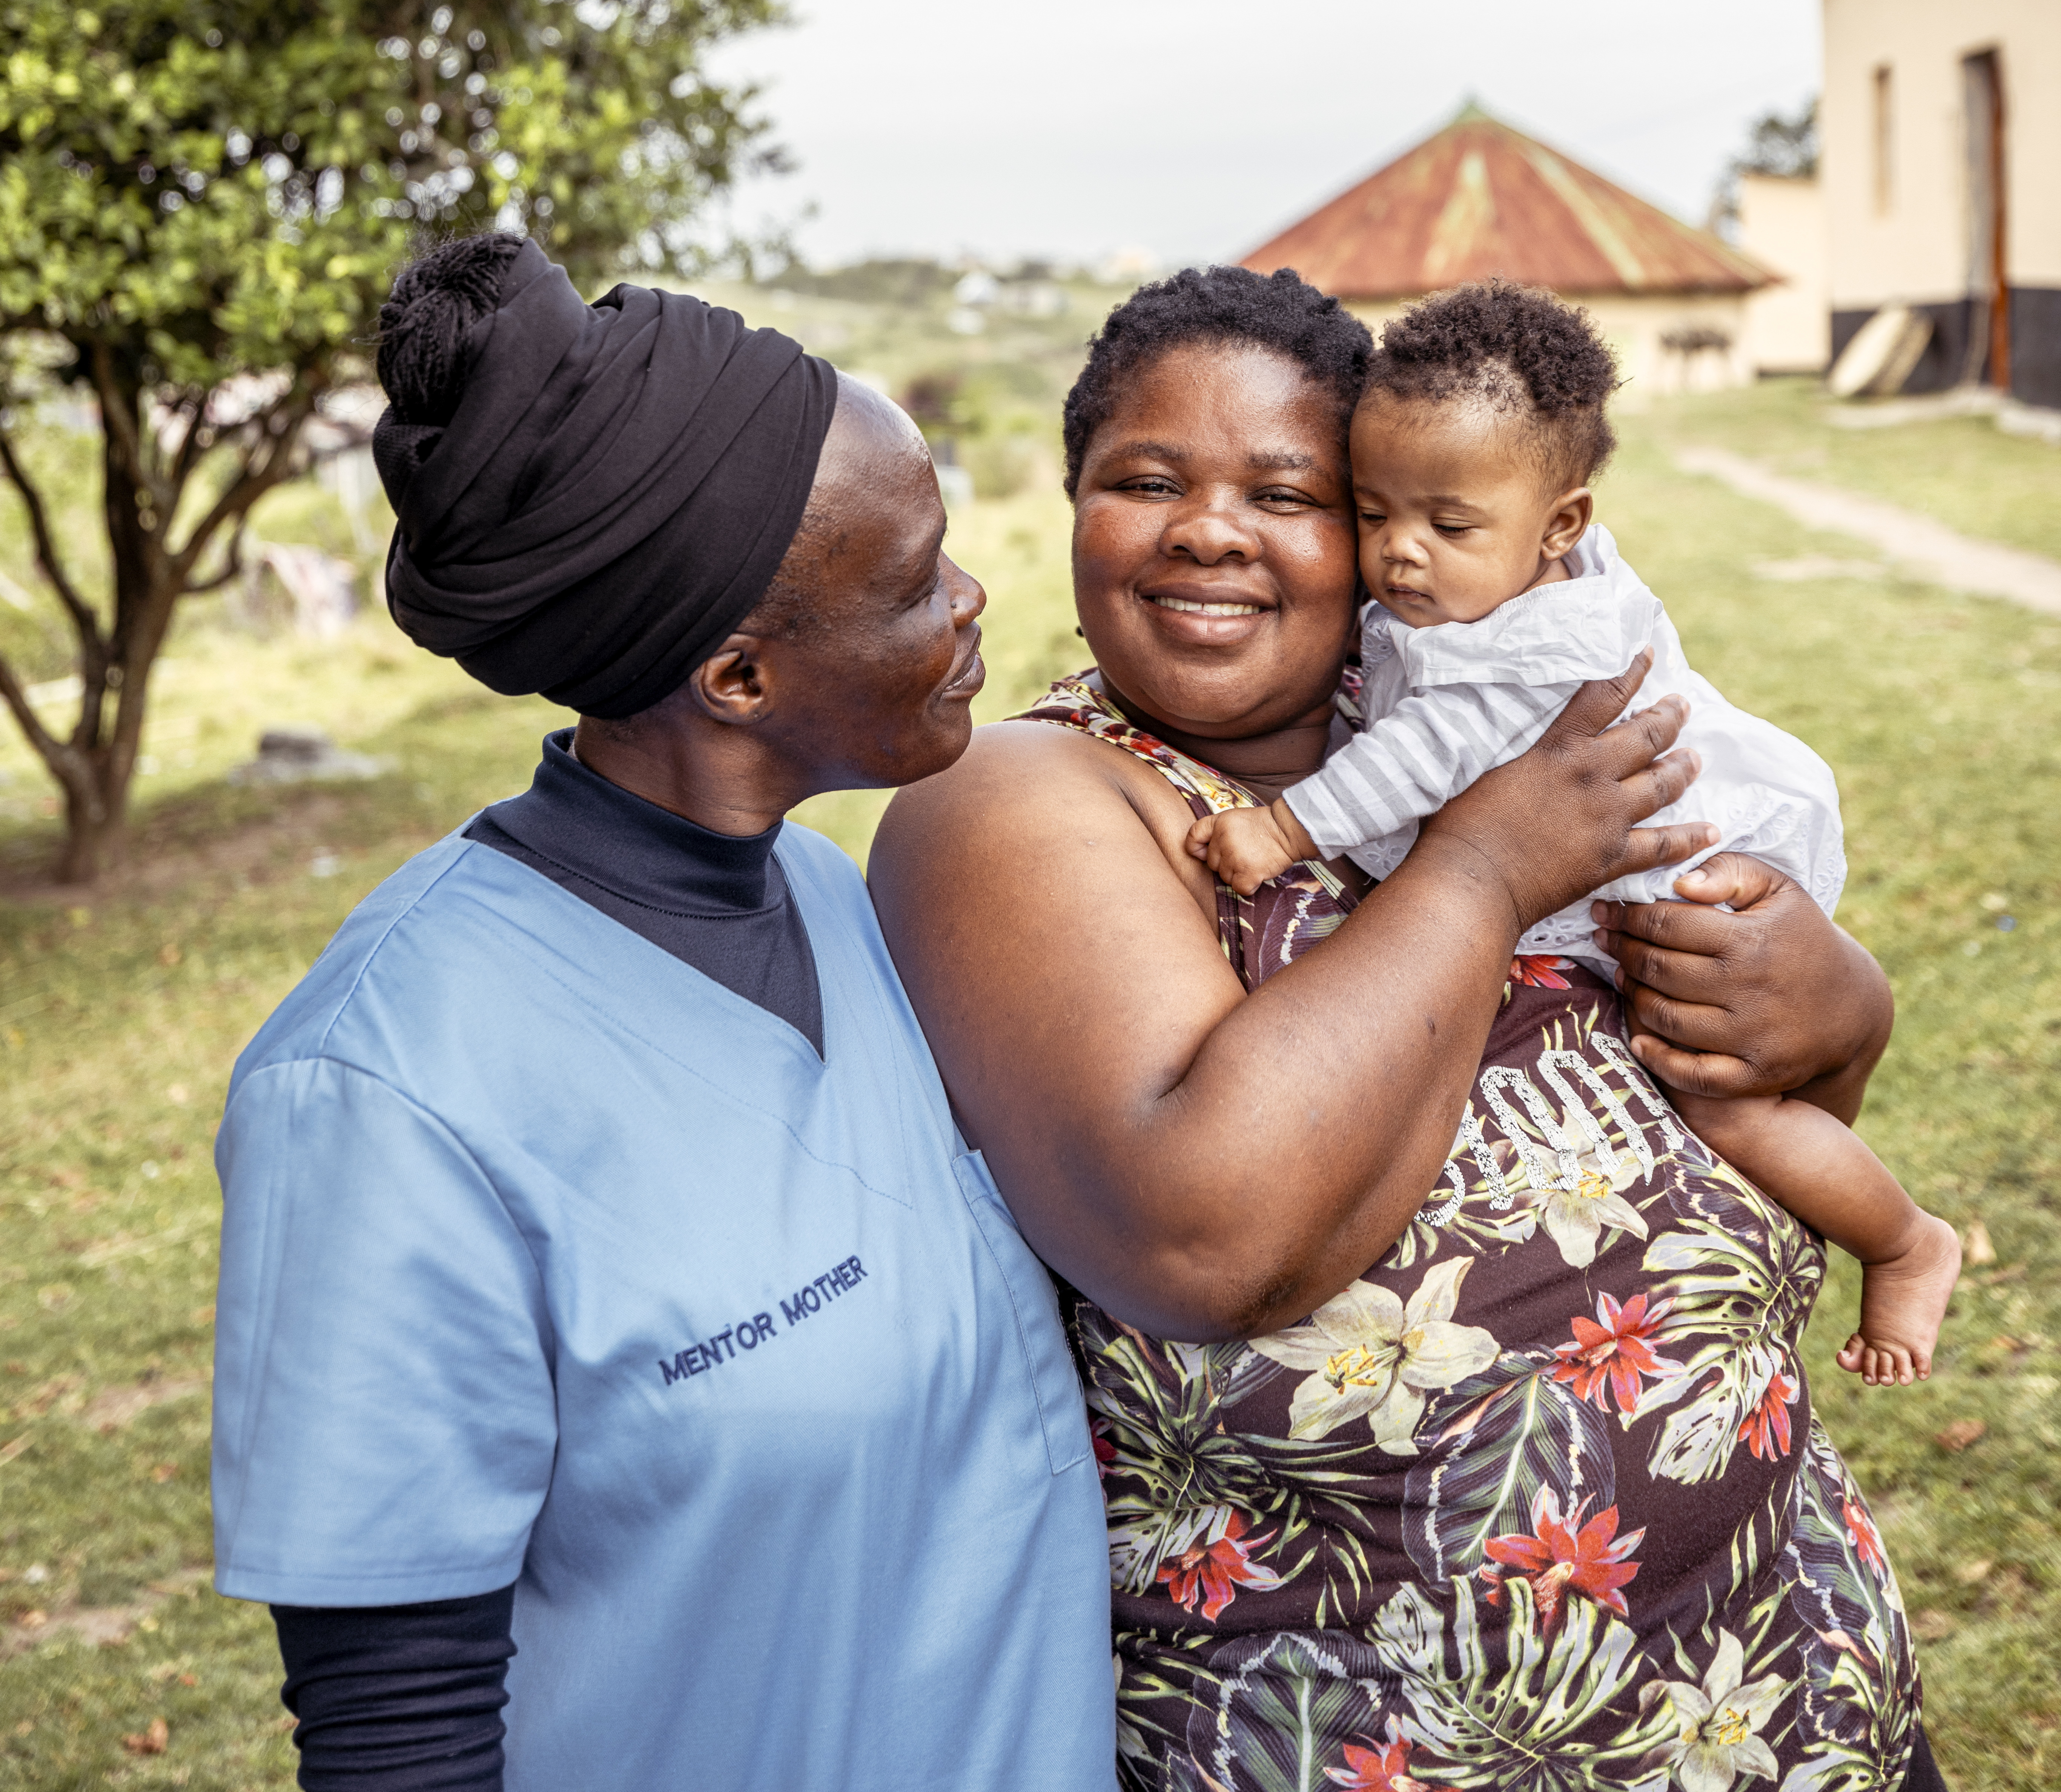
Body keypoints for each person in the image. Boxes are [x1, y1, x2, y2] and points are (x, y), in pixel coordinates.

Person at [871, 264, 1938, 1792]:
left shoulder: (1499, 718)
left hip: (1787, 1681)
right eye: (1145, 481)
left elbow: (1769, 1117)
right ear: (1075, 504)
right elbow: (1211, 1238)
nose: (1208, 529)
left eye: (1287, 493)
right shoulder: (1029, 799)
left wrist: (1840, 1009)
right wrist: (1485, 873)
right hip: (1386, 1739)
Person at [209, 233, 1115, 1792]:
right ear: (737, 678)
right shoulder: (383, 1087)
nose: (973, 600)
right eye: (915, 580)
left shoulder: (836, 899)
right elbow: (397, 1731)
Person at [1185, 280, 1961, 1384]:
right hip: (1603, 860)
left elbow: (1420, 755)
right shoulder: (1493, 583)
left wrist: (1283, 829)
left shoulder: (1536, 647)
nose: (1401, 554)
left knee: (1731, 1113)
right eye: (1373, 513)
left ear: (1562, 526)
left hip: (1674, 891)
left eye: (1449, 526)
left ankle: (1905, 1241)